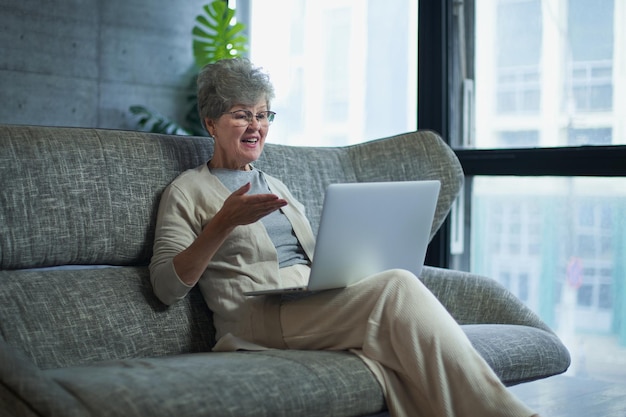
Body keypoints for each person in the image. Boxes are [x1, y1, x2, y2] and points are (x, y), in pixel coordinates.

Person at [149, 57, 540, 417]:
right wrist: (222, 223)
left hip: (313, 301)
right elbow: (166, 286)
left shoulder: (276, 185)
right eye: (241, 115)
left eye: (263, 114)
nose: (256, 126)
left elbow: (315, 258)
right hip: (255, 319)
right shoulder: (187, 190)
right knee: (398, 287)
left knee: (394, 325)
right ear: (211, 123)